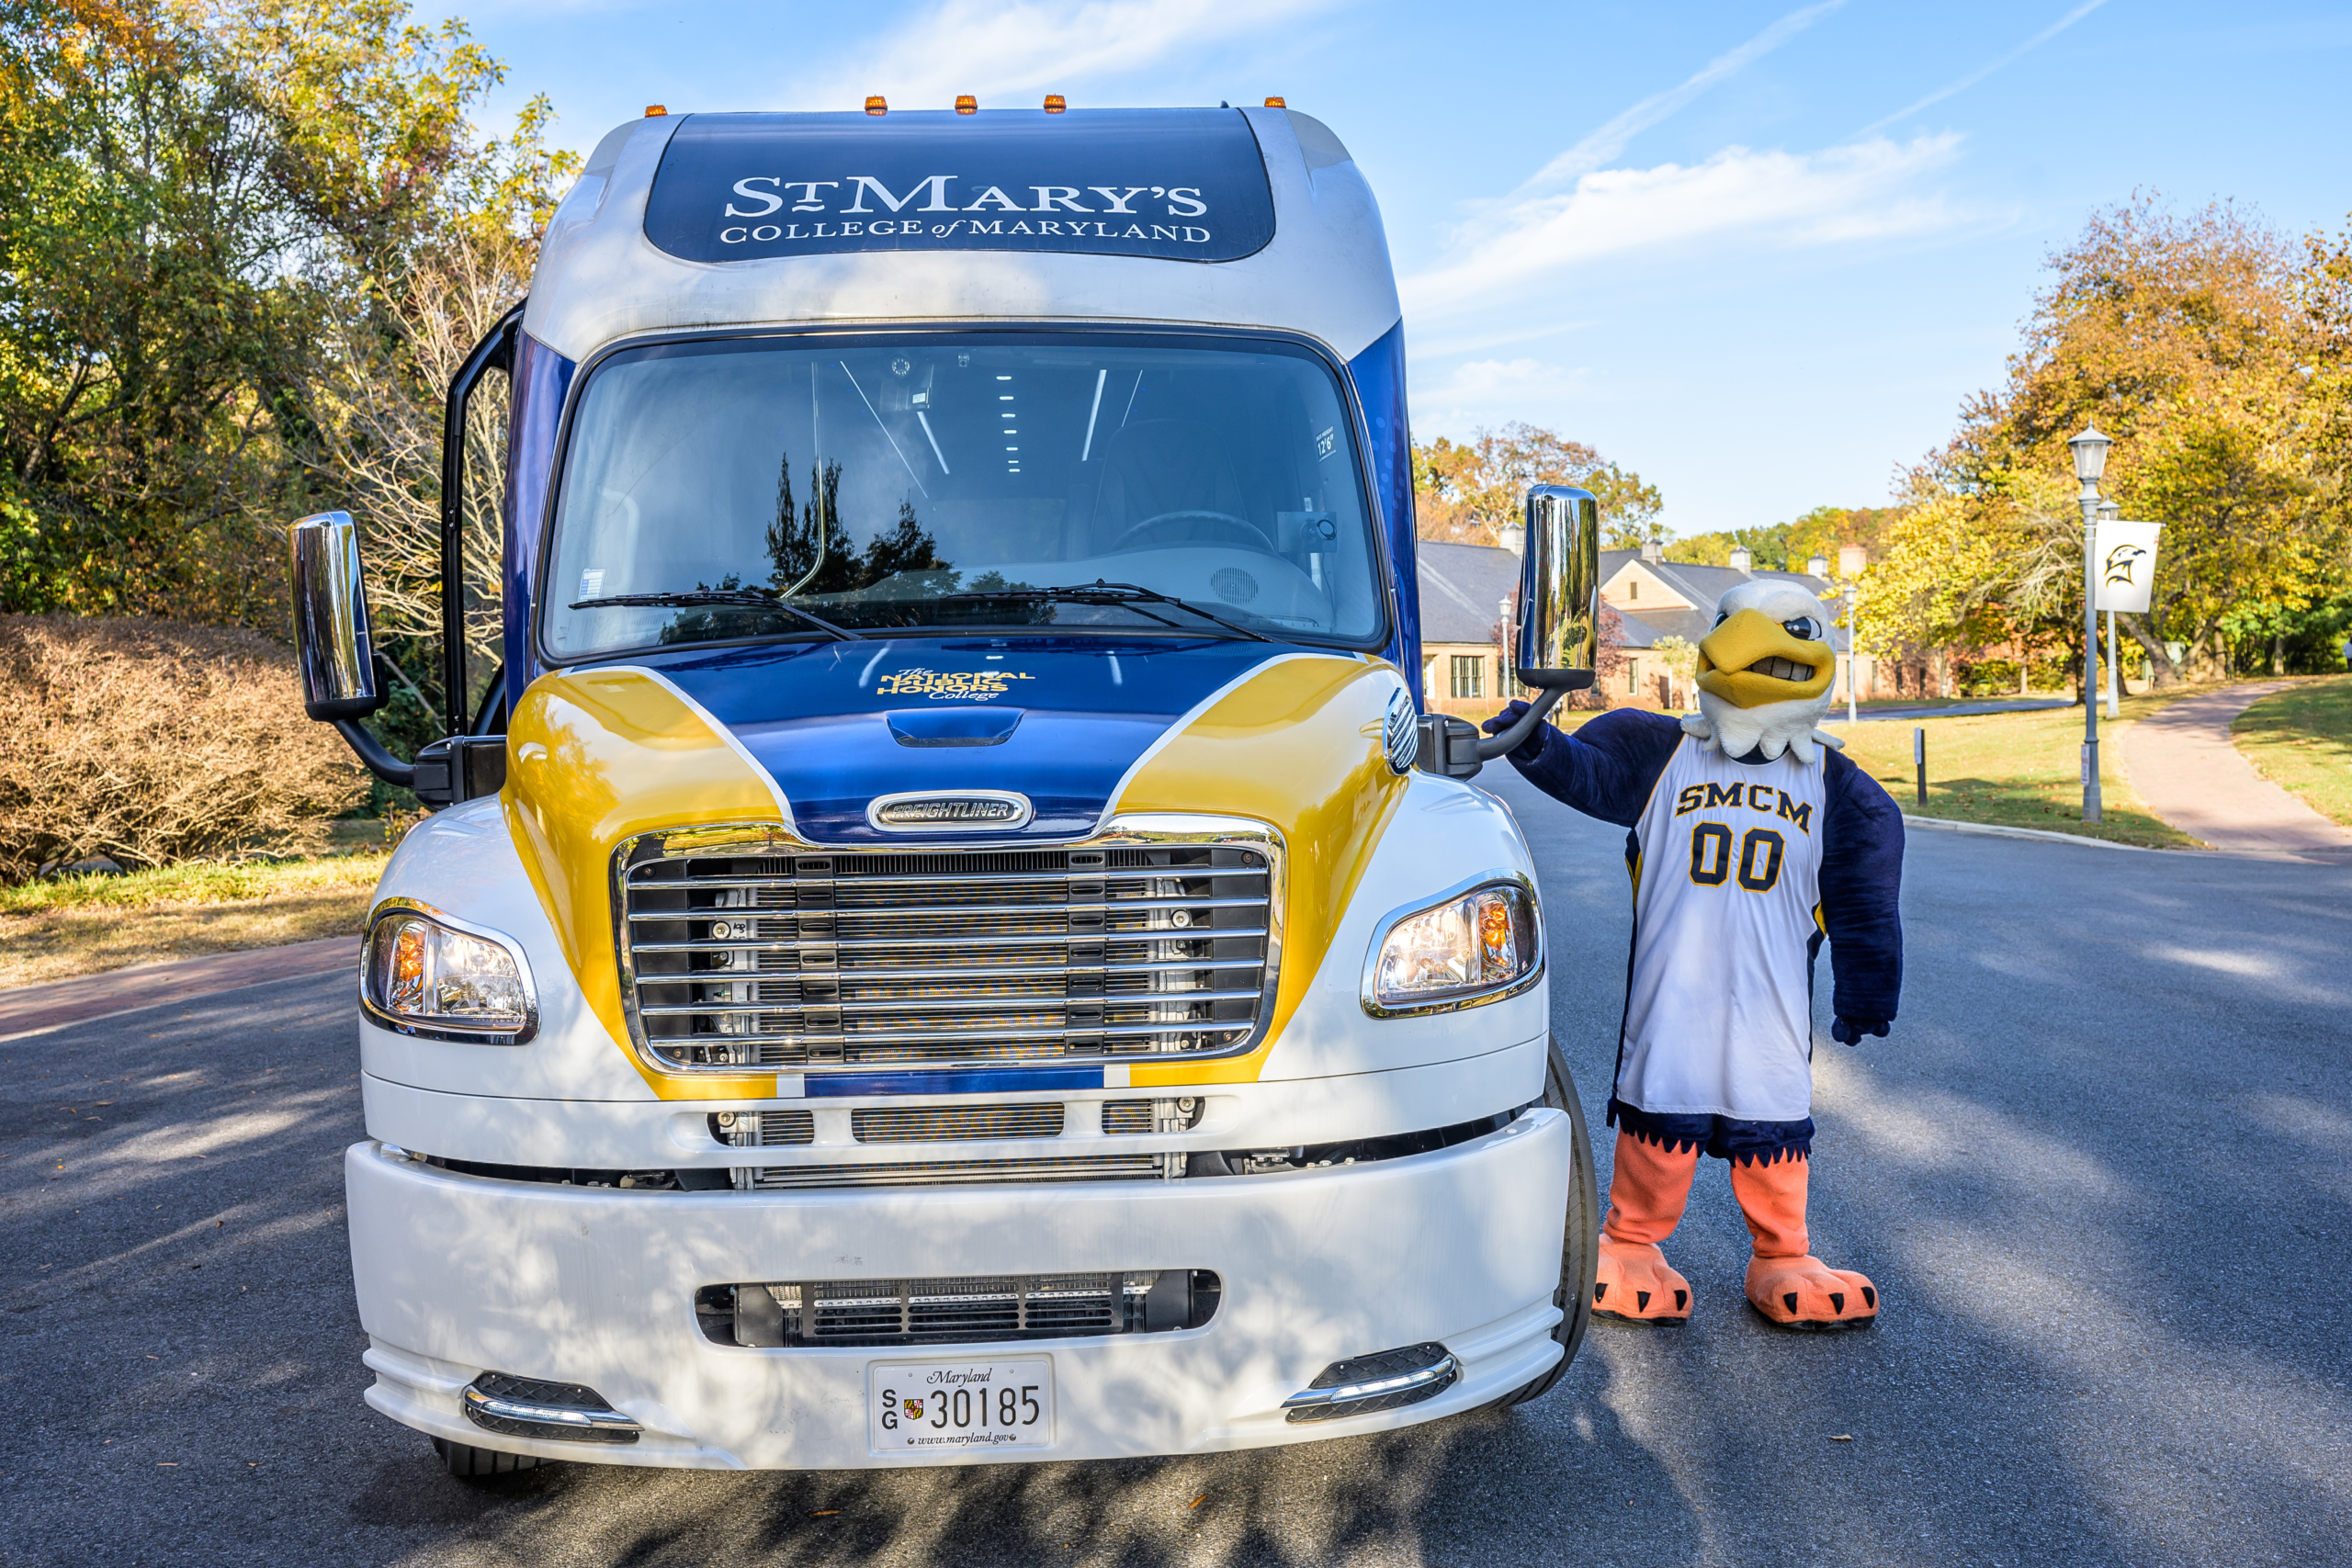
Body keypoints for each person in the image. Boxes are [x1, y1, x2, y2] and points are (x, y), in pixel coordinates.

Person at [1487, 579, 1905, 1329]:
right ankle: (1630, 1242)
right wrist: (1539, 742)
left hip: (1770, 1011)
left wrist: (1865, 993)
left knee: (1773, 1116)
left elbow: (1864, 905)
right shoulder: (1663, 755)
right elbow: (1589, 772)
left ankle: (1784, 1255)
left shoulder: (1841, 790)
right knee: (1660, 1109)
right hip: (1671, 999)